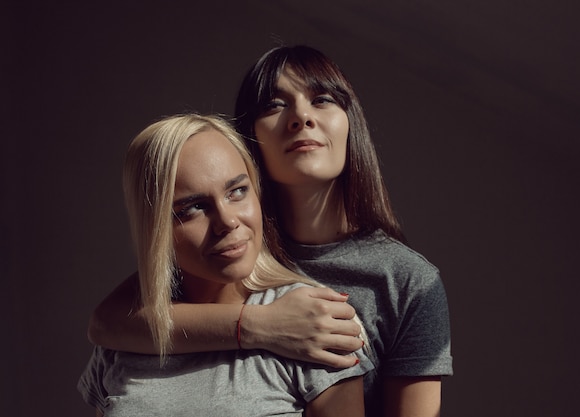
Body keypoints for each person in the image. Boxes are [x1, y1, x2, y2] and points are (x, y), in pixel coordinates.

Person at [88, 45, 453, 417]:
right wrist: (263, 325)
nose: (301, 117)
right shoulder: (229, 249)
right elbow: (108, 323)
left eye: (322, 99)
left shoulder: (407, 281)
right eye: (274, 105)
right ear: (245, 139)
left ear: (350, 121)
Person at [78, 113, 373, 417]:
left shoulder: (318, 325)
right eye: (194, 207)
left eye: (237, 191)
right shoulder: (124, 338)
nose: (228, 221)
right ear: (155, 228)